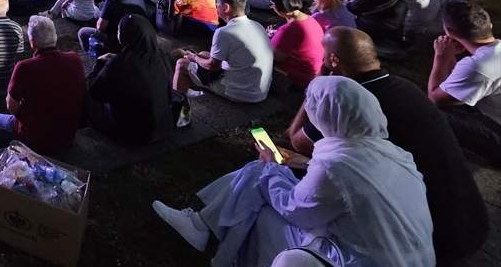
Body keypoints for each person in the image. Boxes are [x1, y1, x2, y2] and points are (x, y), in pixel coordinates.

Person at [153, 76, 435, 267]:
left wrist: (272, 168)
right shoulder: (393, 154)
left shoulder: (337, 167)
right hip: (403, 257)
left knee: (259, 186)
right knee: (261, 177)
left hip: (350, 258)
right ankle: (202, 226)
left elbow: (296, 209)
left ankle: (203, 227)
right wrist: (299, 165)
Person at [286, 27, 489, 265]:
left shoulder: (353, 103)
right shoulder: (405, 87)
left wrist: (317, 84)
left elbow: (296, 139)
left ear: (333, 60)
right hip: (471, 219)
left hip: (427, 239)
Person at [0, 16, 84, 155]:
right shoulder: (75, 59)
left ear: (32, 42)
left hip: (35, 142)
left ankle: (14, 152)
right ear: (55, 36)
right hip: (66, 136)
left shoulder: (24, 68)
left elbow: (11, 107)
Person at [427, 1, 501, 165]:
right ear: (489, 24)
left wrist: (441, 58)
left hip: (496, 129)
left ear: (449, 31)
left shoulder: (478, 66)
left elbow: (435, 98)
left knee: (433, 113)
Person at [173, 0, 273, 108]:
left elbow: (212, 66)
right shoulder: (257, 25)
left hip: (241, 93)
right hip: (260, 90)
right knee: (204, 54)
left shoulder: (224, 32)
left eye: (217, 4)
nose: (215, 7)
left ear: (226, 7)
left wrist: (193, 57)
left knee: (182, 63)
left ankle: (177, 105)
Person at [86, 14, 174, 146]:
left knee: (87, 92)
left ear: (125, 36)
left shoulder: (119, 64)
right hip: (163, 128)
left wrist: (99, 64)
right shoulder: (162, 57)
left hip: (132, 135)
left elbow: (96, 93)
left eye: (119, 31)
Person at [78, 0, 150, 52]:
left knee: (83, 32)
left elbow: (100, 27)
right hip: (137, 39)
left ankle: (97, 57)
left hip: (118, 42)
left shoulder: (112, 0)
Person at [266, 0, 323, 90]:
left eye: (272, 5)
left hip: (300, 77)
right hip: (315, 71)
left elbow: (276, 57)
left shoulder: (290, 29)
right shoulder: (309, 18)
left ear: (278, 6)